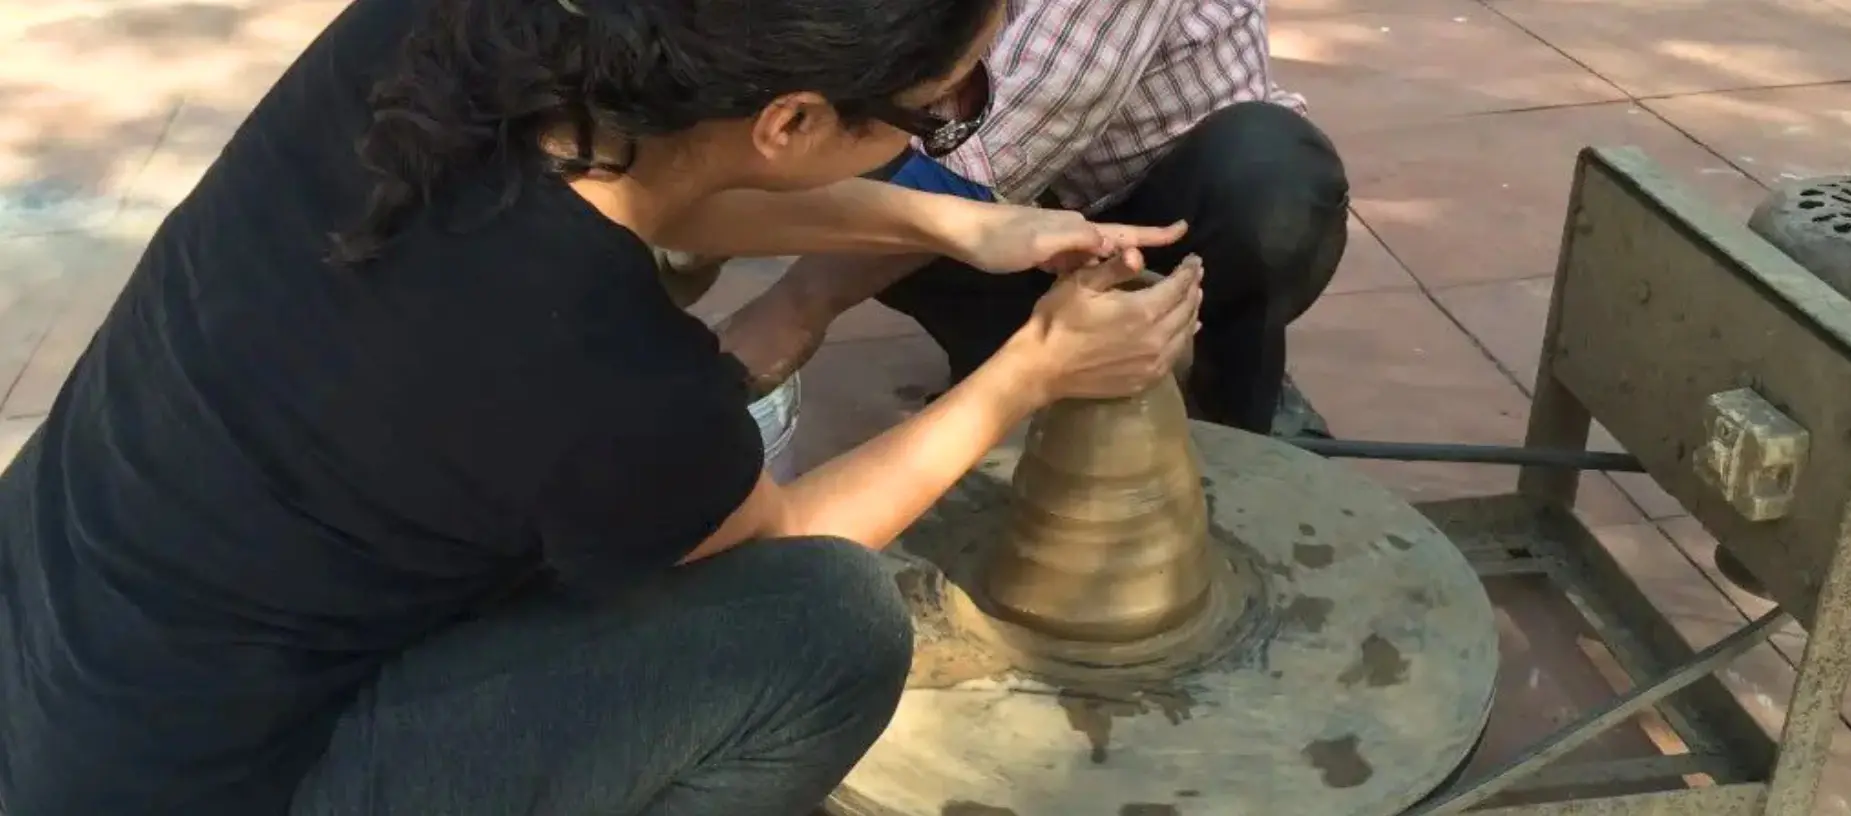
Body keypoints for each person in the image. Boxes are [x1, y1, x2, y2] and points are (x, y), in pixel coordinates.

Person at [0, 0, 1202, 812]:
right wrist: (1029, 376)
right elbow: (784, 552)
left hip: (53, 620)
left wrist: (955, 220)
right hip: (193, 783)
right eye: (945, 111)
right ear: (790, 120)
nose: (955, 123)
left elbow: (669, 191)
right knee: (824, 630)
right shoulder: (605, 377)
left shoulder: (448, 39)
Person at [702, 0, 1349, 436]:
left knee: (1271, 189)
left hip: (1177, 202)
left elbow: (993, 150)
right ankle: (1016, 382)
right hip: (1032, 204)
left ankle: (1229, 393)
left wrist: (796, 305)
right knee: (874, 183)